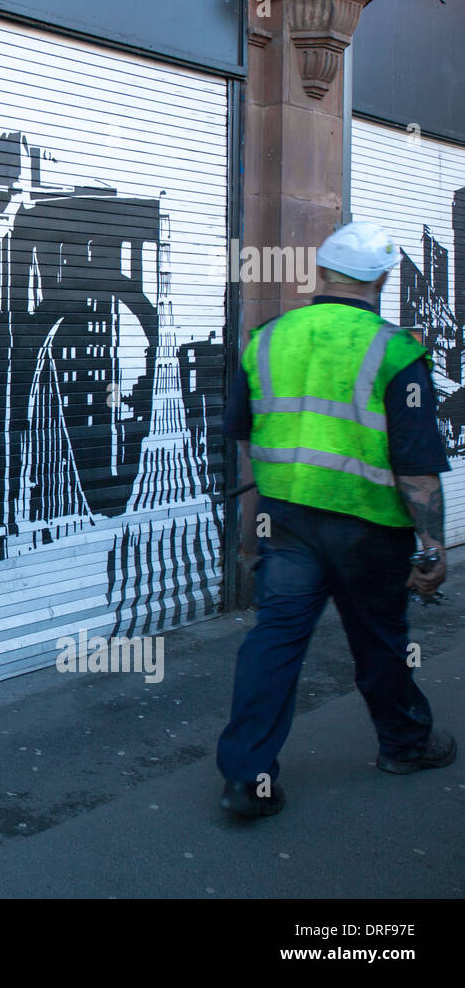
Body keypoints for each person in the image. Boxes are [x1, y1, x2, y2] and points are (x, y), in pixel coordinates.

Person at [218, 221, 455, 819]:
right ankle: (405, 745)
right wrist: (432, 548)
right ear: (379, 278)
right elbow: (418, 469)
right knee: (379, 640)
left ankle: (247, 779)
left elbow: (246, 435)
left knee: (274, 640)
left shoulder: (268, 338)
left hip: (289, 520)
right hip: (369, 530)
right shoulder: (396, 350)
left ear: (320, 271)